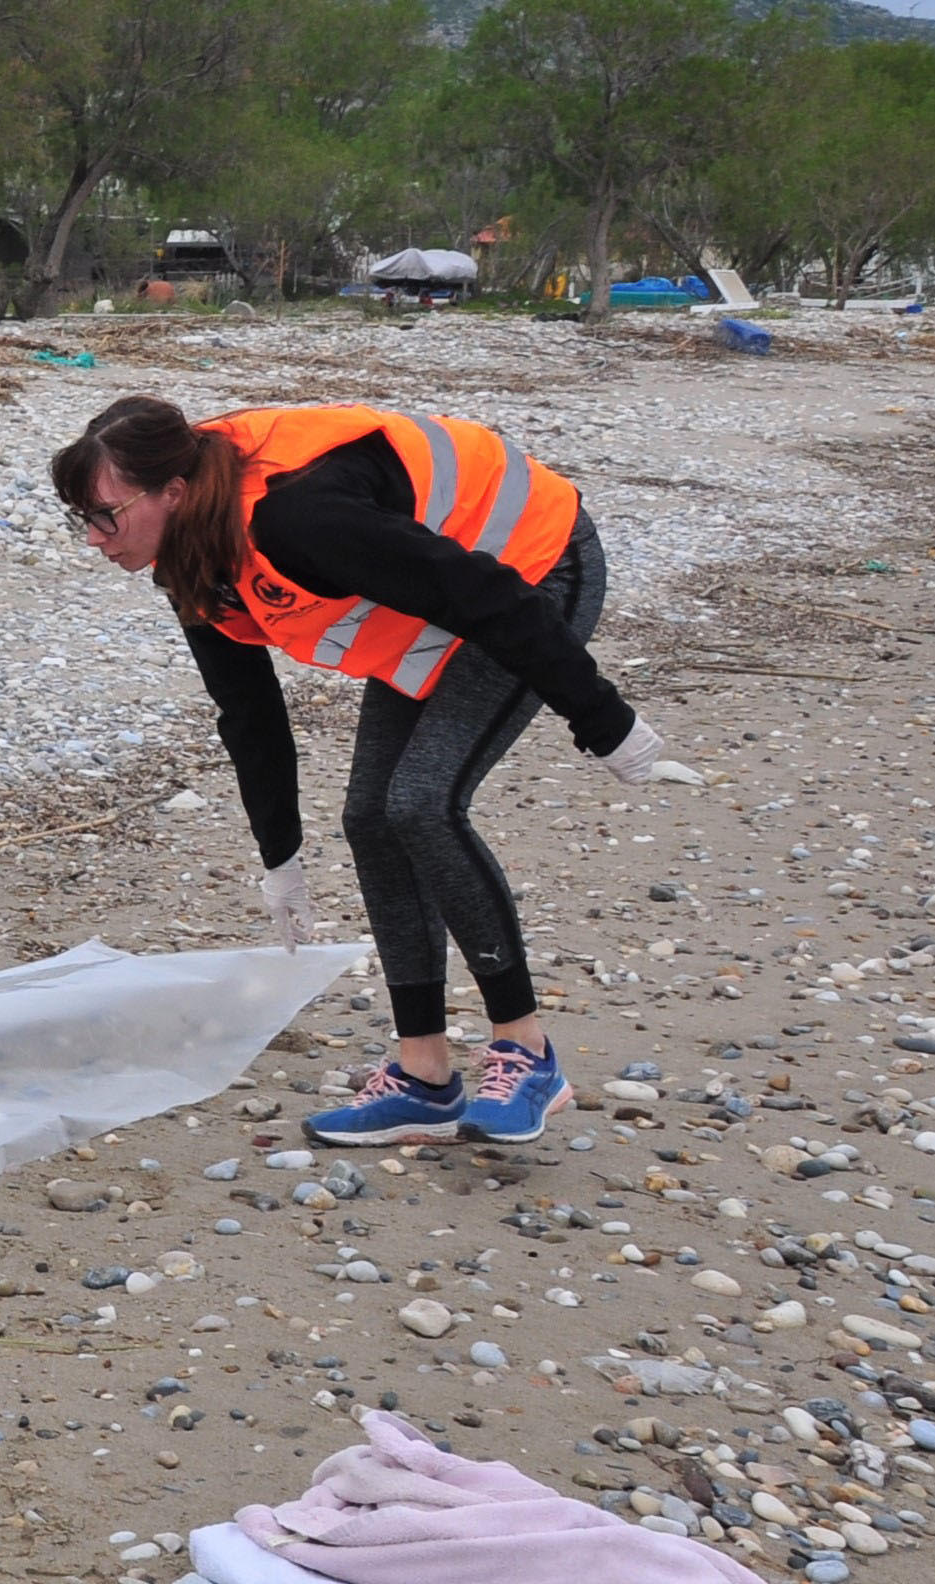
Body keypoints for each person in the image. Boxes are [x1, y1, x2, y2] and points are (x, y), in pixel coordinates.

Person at [50, 397, 672, 1147]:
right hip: (432, 596)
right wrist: (280, 858)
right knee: (371, 817)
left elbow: (485, 594)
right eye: (80, 518)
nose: (93, 537)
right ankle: (424, 1079)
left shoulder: (299, 519)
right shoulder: (192, 560)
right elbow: (247, 710)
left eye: (105, 515)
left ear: (172, 492)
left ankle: (527, 1053)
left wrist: (602, 719)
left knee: (422, 804)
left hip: (531, 567)